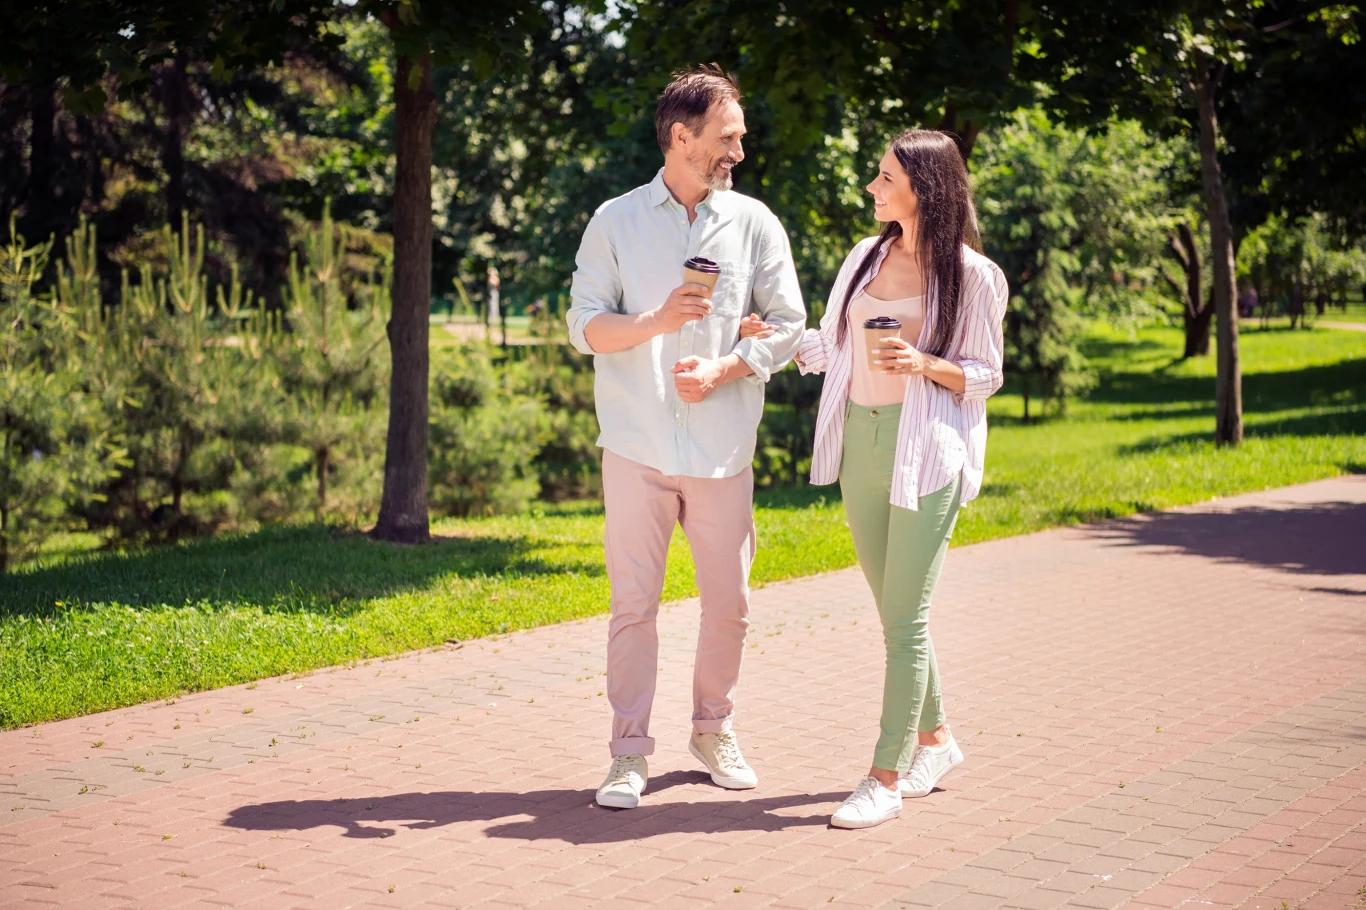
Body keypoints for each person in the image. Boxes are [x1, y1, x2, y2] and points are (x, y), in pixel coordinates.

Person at [565, 65, 806, 810]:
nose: (739, 150)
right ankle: (628, 753)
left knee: (729, 604)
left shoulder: (756, 223)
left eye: (739, 136)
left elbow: (789, 324)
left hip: (721, 451)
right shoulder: (614, 221)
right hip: (635, 447)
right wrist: (657, 322)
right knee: (633, 607)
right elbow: (584, 327)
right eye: (727, 137)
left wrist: (730, 365)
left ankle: (712, 729)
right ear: (682, 136)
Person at [753, 129, 1007, 828]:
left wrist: (924, 363)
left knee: (905, 620)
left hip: (927, 450)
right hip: (861, 445)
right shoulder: (864, 256)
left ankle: (884, 777)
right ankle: (938, 741)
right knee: (897, 615)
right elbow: (834, 345)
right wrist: (774, 340)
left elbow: (987, 374)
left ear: (925, 188)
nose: (872, 186)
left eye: (886, 177)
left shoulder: (973, 275)